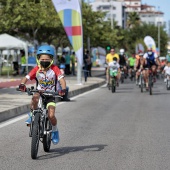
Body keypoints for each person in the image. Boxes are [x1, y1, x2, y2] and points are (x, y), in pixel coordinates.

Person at [18, 45, 67, 145]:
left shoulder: (55, 69)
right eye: (42, 59)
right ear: (38, 59)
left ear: (51, 59)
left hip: (51, 95)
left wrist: (63, 89)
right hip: (39, 92)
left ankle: (55, 130)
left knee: (51, 115)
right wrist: (22, 84)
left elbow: (62, 80)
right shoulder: (36, 69)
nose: (44, 61)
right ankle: (32, 114)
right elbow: (26, 77)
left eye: (47, 59)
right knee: (35, 98)